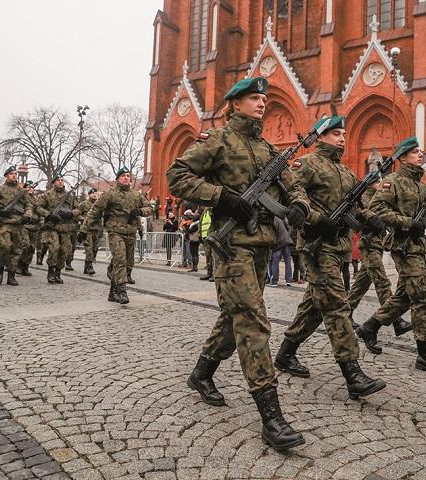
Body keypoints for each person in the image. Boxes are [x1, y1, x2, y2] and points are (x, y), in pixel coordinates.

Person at [167, 76, 310, 452]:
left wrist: (298, 204)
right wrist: (222, 197)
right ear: (235, 104)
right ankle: (271, 417)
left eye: (263, 98)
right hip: (231, 247)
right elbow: (176, 176)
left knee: (235, 317)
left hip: (262, 245)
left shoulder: (266, 147)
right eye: (253, 98)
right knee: (252, 321)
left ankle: (201, 374)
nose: (262, 103)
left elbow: (291, 184)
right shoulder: (219, 140)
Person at [275, 115, 386, 400]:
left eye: (343, 134)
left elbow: (358, 207)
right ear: (321, 136)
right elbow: (293, 197)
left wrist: (372, 219)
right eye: (335, 133)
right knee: (337, 305)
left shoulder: (346, 172)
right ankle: (353, 372)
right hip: (315, 245)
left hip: (337, 247)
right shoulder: (308, 164)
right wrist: (316, 219)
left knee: (315, 306)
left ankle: (285, 354)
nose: (342, 138)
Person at [355, 137, 426, 376]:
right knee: (422, 298)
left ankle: (369, 327)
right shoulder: (391, 183)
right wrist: (409, 222)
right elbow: (377, 210)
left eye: (420, 152)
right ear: (402, 157)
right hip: (404, 246)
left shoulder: (422, 186)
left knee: (403, 296)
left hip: (417, 246)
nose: (420, 155)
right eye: (414, 152)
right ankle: (425, 354)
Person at [346, 182, 412, 334]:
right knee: (381, 281)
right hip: (368, 243)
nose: (382, 184)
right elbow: (358, 215)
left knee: (362, 282)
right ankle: (395, 319)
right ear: (373, 183)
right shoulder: (365, 196)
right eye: (379, 181)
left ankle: (346, 312)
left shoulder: (380, 197)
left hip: (377, 243)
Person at [81, 167, 153, 304]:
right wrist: (84, 229)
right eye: (123, 176)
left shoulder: (136, 195)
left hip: (130, 232)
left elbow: (149, 208)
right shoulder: (110, 194)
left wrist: (139, 211)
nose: (126, 178)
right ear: (117, 178)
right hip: (115, 231)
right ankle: (122, 291)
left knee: (128, 263)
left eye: (128, 176)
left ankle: (112, 292)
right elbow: (95, 211)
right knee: (120, 260)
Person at [0, 166, 33, 286]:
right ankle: (0, 268)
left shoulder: (22, 191)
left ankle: (11, 275)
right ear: (6, 175)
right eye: (12, 173)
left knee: (16, 250)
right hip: (5, 224)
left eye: (15, 173)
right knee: (5, 246)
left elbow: (29, 204)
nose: (14, 175)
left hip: (18, 224)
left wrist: (27, 215)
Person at [35, 173, 79, 284]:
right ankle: (51, 272)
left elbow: (78, 209)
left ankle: (58, 272)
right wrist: (48, 215)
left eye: (62, 180)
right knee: (54, 249)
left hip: (65, 228)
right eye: (58, 180)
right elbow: (38, 207)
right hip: (52, 227)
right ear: (54, 182)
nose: (60, 182)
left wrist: (71, 214)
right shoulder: (47, 195)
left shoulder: (70, 196)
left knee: (64, 251)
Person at [78, 188, 103, 275]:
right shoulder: (84, 204)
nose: (95, 195)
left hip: (97, 229)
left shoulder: (99, 204)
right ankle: (89, 267)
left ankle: (86, 267)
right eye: (93, 193)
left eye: (96, 193)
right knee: (89, 248)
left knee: (95, 249)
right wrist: (84, 219)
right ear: (89, 194)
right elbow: (77, 214)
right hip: (87, 229)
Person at [18, 180, 40, 276]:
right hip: (24, 226)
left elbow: (40, 211)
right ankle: (18, 265)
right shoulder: (21, 198)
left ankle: (25, 266)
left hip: (34, 226)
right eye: (28, 187)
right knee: (25, 244)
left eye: (32, 187)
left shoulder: (36, 200)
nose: (30, 189)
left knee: (31, 247)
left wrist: (41, 221)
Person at [268, 216, 292, 287]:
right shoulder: (280, 217)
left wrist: (272, 246)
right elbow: (289, 227)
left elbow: (272, 235)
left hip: (279, 243)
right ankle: (288, 281)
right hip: (287, 241)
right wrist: (287, 236)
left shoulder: (271, 220)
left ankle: (274, 281)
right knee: (288, 262)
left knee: (275, 262)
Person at [199, 207, 213, 281]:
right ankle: (209, 273)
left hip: (212, 238)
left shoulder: (213, 210)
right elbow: (200, 224)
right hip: (205, 238)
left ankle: (214, 274)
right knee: (208, 257)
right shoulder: (204, 212)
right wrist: (200, 235)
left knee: (213, 257)